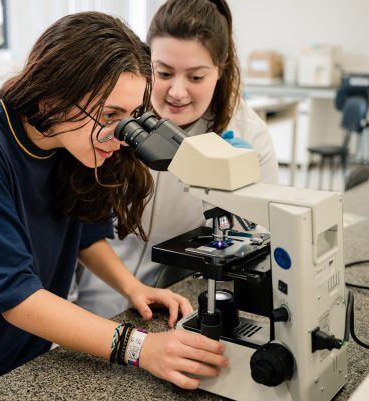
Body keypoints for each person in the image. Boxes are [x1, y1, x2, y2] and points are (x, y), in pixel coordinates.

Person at [0, 12, 228, 394]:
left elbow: (86, 232)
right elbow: (14, 296)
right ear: (57, 91)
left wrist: (131, 287)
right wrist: (141, 348)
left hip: (16, 353)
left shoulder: (71, 141)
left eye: (131, 116)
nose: (122, 136)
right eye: (110, 115)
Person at [75, 0, 280, 318]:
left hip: (185, 288)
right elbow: (81, 221)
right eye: (164, 73)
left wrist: (241, 191)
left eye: (196, 77)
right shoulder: (119, 114)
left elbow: (263, 234)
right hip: (105, 286)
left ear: (220, 71)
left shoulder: (247, 132)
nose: (177, 92)